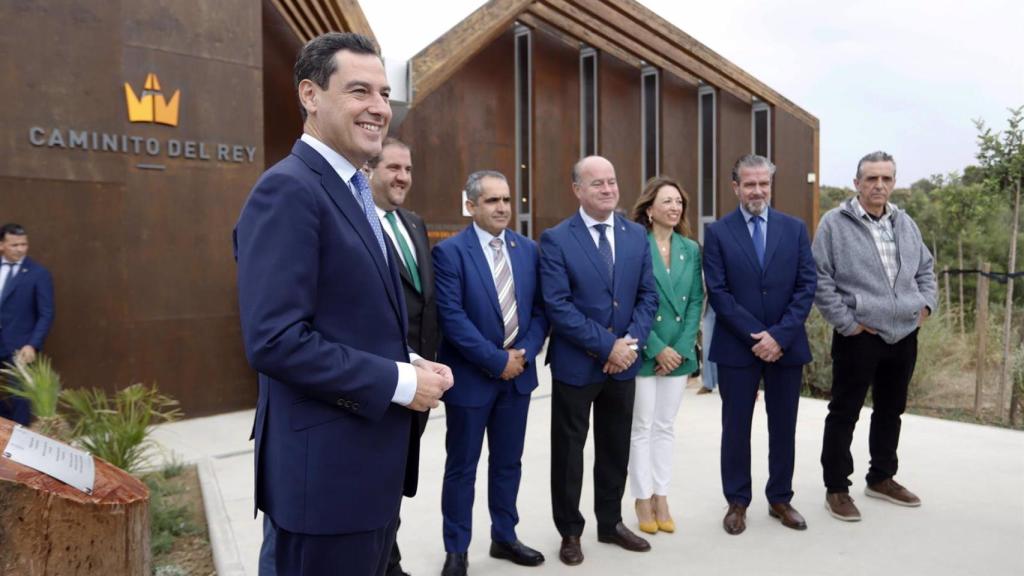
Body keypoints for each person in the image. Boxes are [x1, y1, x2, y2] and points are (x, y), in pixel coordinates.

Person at [233, 32, 453, 576]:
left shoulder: (353, 190)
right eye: (359, 91)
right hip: (324, 488)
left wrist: (407, 360)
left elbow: (349, 316)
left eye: (383, 93)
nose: (379, 108)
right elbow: (275, 341)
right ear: (310, 95)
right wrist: (400, 384)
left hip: (363, 478)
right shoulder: (289, 190)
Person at [539, 155, 659, 565]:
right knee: (569, 453)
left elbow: (648, 297)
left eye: (612, 181)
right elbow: (558, 305)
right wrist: (608, 347)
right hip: (578, 365)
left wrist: (630, 345)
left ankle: (610, 523)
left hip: (623, 365)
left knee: (614, 448)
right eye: (597, 184)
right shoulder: (556, 239)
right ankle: (570, 531)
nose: (608, 189)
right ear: (577, 190)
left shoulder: (634, 236)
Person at [432, 170, 549, 576]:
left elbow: (539, 311)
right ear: (471, 206)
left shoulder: (528, 249)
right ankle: (457, 548)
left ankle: (504, 536)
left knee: (507, 463)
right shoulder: (450, 253)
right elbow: (452, 318)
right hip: (471, 381)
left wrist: (524, 353)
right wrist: (497, 361)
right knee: (462, 467)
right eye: (491, 201)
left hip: (517, 379)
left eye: (506, 199)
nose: (502, 208)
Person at [813, 151, 936, 522]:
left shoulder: (905, 223)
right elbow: (820, 278)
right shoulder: (834, 224)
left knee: (891, 410)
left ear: (894, 183)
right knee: (844, 412)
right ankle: (836, 488)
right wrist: (848, 324)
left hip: (904, 334)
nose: (879, 185)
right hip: (859, 335)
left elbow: (927, 269)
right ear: (857, 183)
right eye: (871, 179)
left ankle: (881, 477)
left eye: (886, 179)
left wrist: (925, 306)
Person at [702, 154, 816, 536]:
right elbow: (719, 293)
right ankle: (737, 501)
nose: (757, 191)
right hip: (738, 348)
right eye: (749, 184)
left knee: (784, 426)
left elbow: (806, 286)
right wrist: (758, 337)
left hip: (786, 347)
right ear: (735, 187)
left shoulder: (795, 228)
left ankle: (780, 498)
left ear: (771, 185)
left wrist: (779, 336)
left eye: (763, 183)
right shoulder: (718, 233)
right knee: (736, 427)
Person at [368, 137, 440, 576]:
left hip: (421, 381)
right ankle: (384, 564)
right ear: (369, 171)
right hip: (385, 380)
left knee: (398, 480)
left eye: (408, 170)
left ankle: (389, 560)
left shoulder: (414, 222)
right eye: (393, 168)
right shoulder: (358, 223)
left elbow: (426, 303)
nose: (403, 178)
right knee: (376, 482)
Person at [627, 177, 703, 535]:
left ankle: (662, 495)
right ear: (650, 208)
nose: (675, 208)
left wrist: (682, 348)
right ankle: (642, 498)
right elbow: (630, 302)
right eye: (667, 201)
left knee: (665, 427)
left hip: (679, 354)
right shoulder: (635, 246)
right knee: (641, 427)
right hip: (645, 350)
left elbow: (696, 302)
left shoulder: (691, 248)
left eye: (679, 202)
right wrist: (657, 347)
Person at [0, 223, 55, 426]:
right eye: (15, 245)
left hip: (20, 347)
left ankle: (20, 441)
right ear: (1, 245)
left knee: (21, 398)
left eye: (24, 244)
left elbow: (46, 313)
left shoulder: (38, 273)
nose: (21, 249)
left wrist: (32, 344)